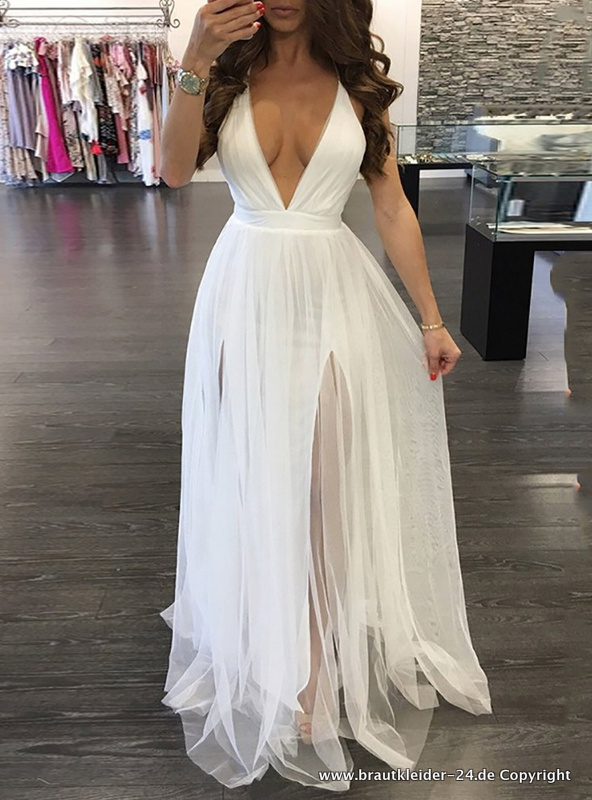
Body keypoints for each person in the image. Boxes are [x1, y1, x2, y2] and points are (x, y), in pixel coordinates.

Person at [158, 0, 492, 791]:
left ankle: (312, 667)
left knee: (324, 489)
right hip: (244, 293)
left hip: (333, 295)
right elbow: (171, 172)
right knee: (254, 478)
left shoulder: (356, 85)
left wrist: (432, 318)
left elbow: (390, 203)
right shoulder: (222, 76)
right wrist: (194, 58)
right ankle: (261, 636)